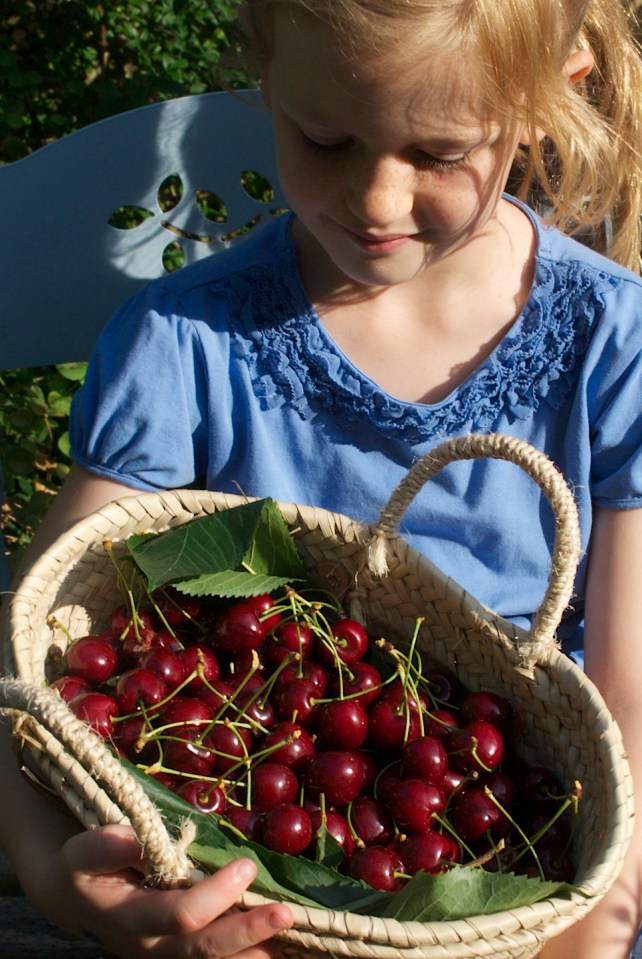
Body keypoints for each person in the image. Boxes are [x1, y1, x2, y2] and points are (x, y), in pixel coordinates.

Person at [2, 0, 642, 956]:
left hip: (531, 868)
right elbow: (38, 663)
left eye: (438, 152)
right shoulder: (187, 346)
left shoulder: (613, 347)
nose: (376, 199)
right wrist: (73, 885)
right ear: (267, 75)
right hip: (245, 881)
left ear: (545, 102)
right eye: (327, 137)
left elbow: (626, 712)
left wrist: (572, 939)